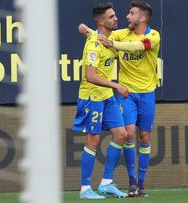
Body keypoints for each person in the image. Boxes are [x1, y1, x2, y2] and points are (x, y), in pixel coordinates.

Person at [78, 0, 161, 197]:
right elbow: (100, 36)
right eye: (113, 16)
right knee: (126, 134)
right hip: (119, 93)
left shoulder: (153, 36)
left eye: (130, 13)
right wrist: (87, 30)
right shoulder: (120, 33)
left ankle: (121, 183)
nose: (123, 17)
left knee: (134, 136)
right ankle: (125, 184)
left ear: (141, 18)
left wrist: (112, 43)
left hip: (144, 91)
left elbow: (138, 46)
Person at [73, 2, 130, 199]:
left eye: (115, 15)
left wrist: (86, 28)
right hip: (91, 97)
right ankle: (85, 189)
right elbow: (90, 75)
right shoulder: (93, 45)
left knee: (121, 134)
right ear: (101, 21)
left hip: (106, 97)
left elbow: (92, 32)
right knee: (93, 140)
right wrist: (117, 85)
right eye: (112, 16)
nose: (116, 18)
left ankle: (106, 183)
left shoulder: (110, 37)